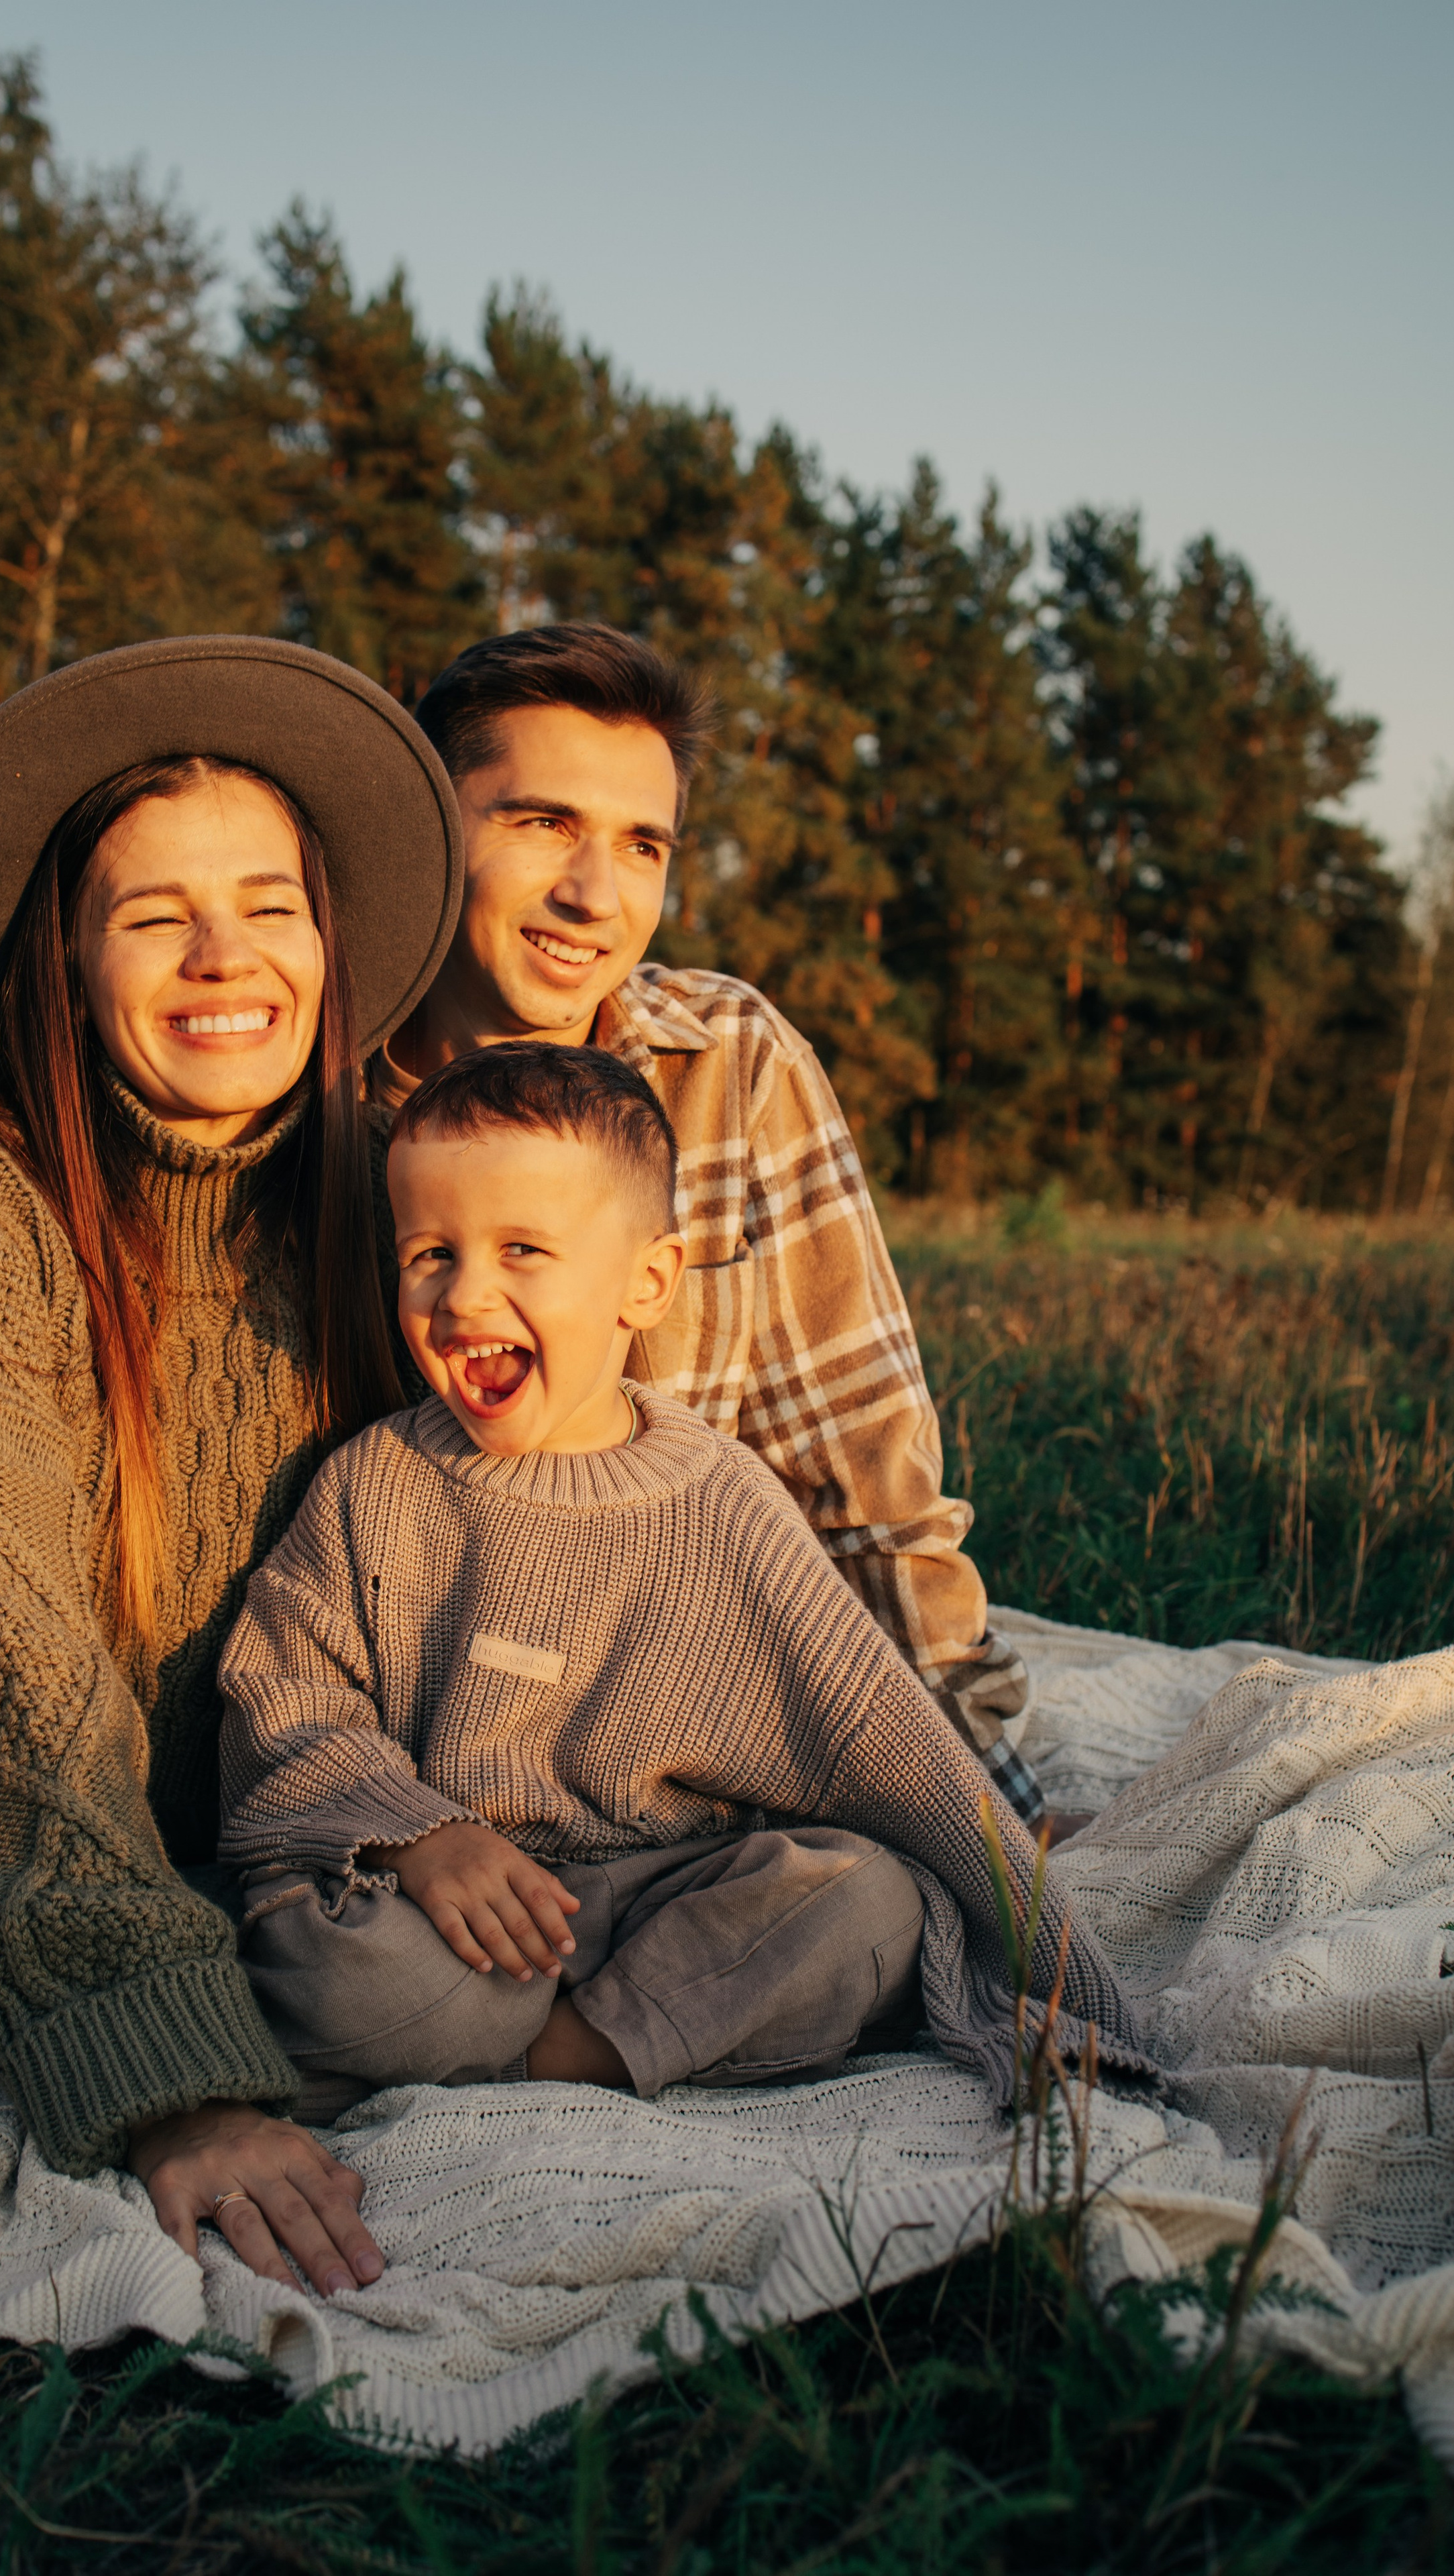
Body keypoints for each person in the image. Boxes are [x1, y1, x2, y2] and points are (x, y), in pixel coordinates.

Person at [0, 636, 465, 2297]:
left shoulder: (388, 1208)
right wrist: (178, 2091)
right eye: (155, 916)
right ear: (65, 967)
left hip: (208, 1870)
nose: (228, 955)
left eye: (271, 903)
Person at [219, 1046, 1144, 2102]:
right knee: (330, 1965)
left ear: (646, 1283)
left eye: (524, 1249)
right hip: (452, 1911)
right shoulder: (376, 1484)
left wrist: (1074, 1983)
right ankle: (595, 2043)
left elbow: (890, 1748)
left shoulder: (721, 1500)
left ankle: (563, 2054)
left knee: (869, 1902)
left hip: (669, 1894)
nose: (465, 1294)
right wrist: (419, 1836)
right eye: (430, 1252)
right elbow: (282, 1700)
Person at [371, 623, 1046, 1826]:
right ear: (430, 823)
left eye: (642, 844)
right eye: (542, 824)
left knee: (858, 1911)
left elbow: (863, 1477)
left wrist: (988, 1819)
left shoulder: (728, 1062)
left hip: (703, 1747)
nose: (595, 894)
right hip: (421, 1762)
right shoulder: (316, 1103)